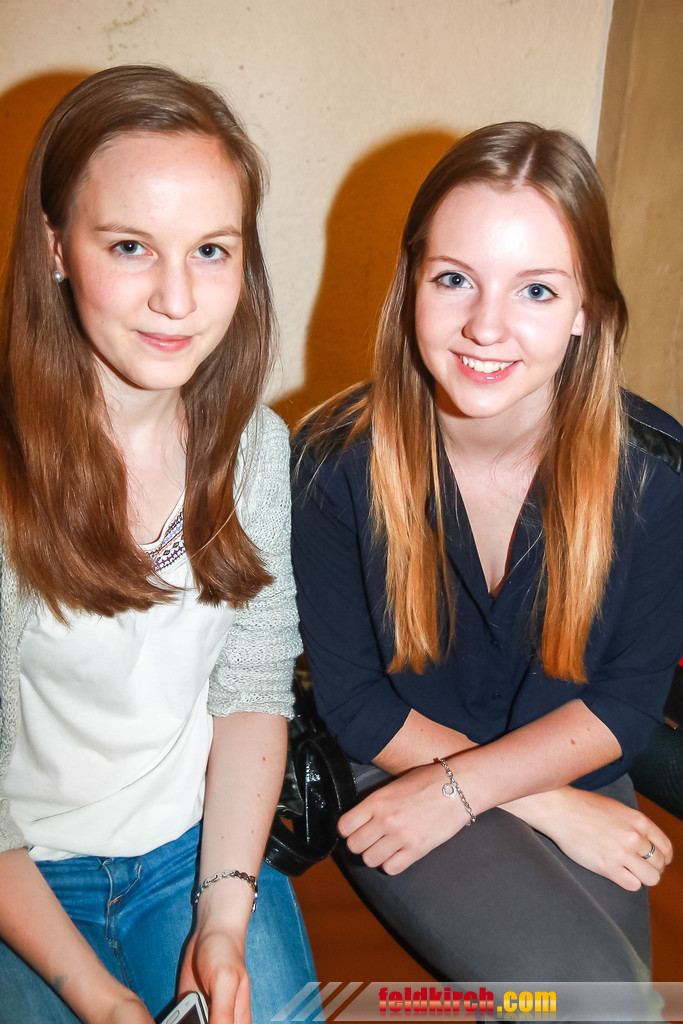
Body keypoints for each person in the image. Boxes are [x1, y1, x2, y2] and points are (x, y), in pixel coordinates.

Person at [291, 123, 683, 999]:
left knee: (609, 1003)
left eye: (535, 289)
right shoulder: (331, 463)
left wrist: (489, 787)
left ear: (585, 310)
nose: (484, 326)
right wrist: (531, 803)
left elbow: (626, 702)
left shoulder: (655, 474)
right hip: (397, 760)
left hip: (568, 758)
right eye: (454, 279)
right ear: (411, 283)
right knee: (597, 1005)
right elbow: (353, 703)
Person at [0, 65, 316, 1024]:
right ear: (56, 247)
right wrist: (98, 998)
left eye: (211, 250)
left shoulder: (254, 449)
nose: (178, 300)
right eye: (131, 246)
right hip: (23, 870)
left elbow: (252, 689)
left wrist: (221, 916)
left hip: (193, 847)